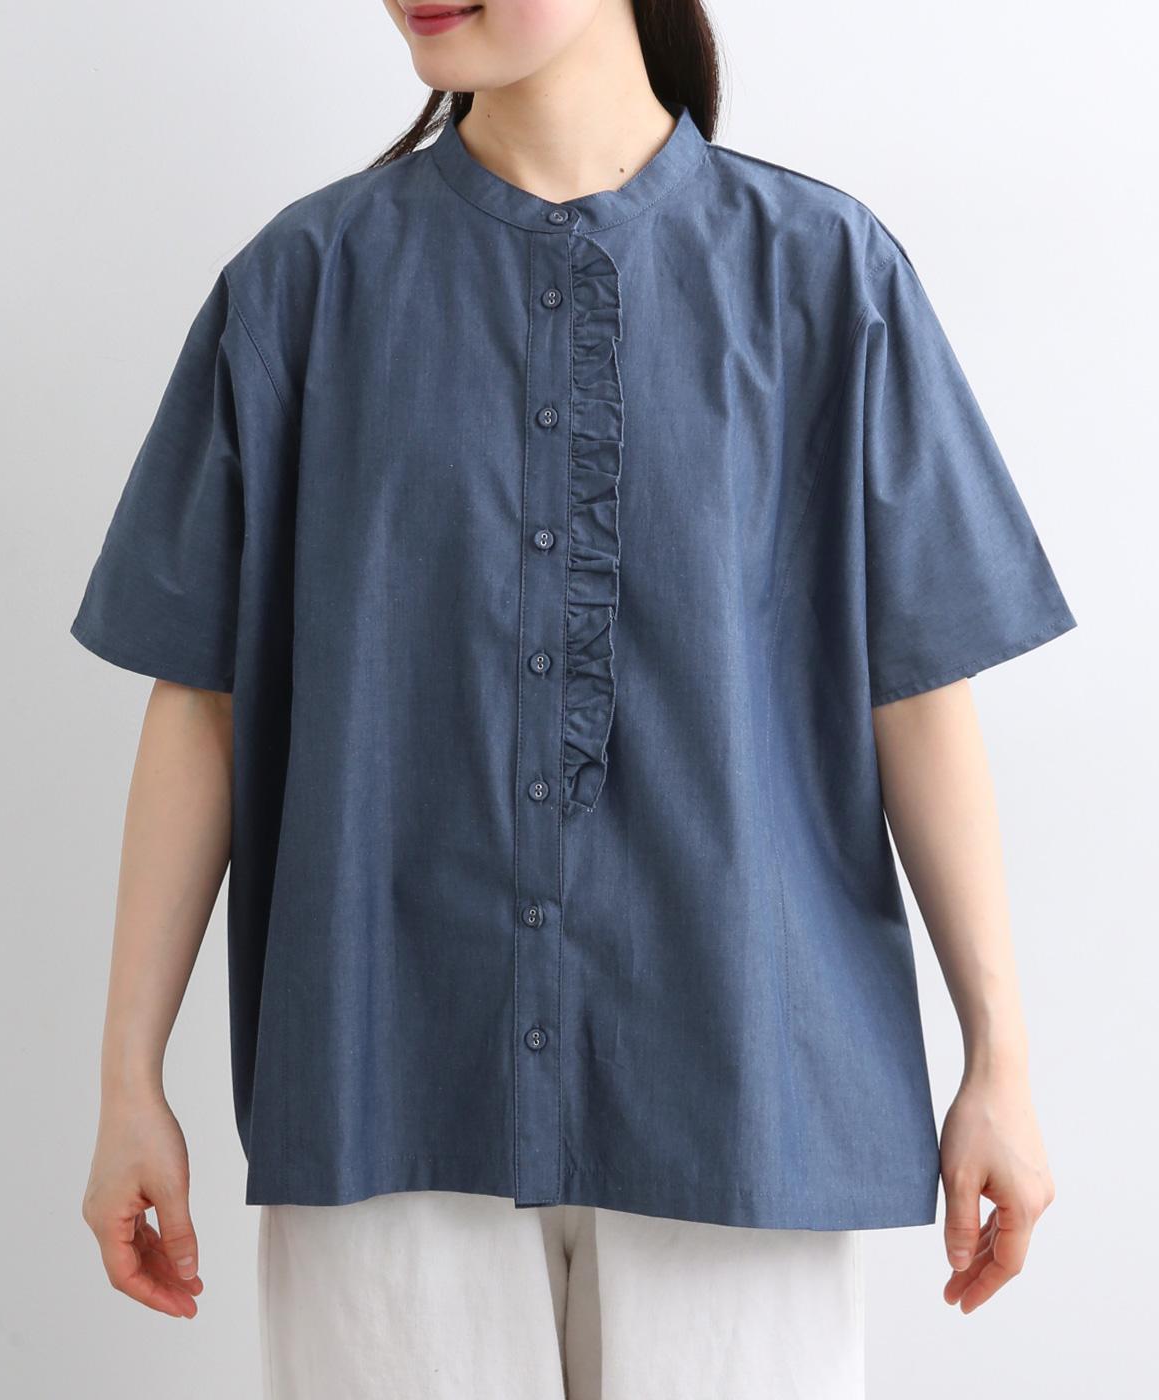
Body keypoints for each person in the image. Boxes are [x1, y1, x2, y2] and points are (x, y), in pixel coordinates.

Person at [72, 1, 1075, 1396]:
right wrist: (130, 1081)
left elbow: (914, 695)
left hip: (738, 1093)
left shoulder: (826, 276)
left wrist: (1000, 1063)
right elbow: (204, 704)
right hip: (387, 1082)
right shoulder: (302, 286)